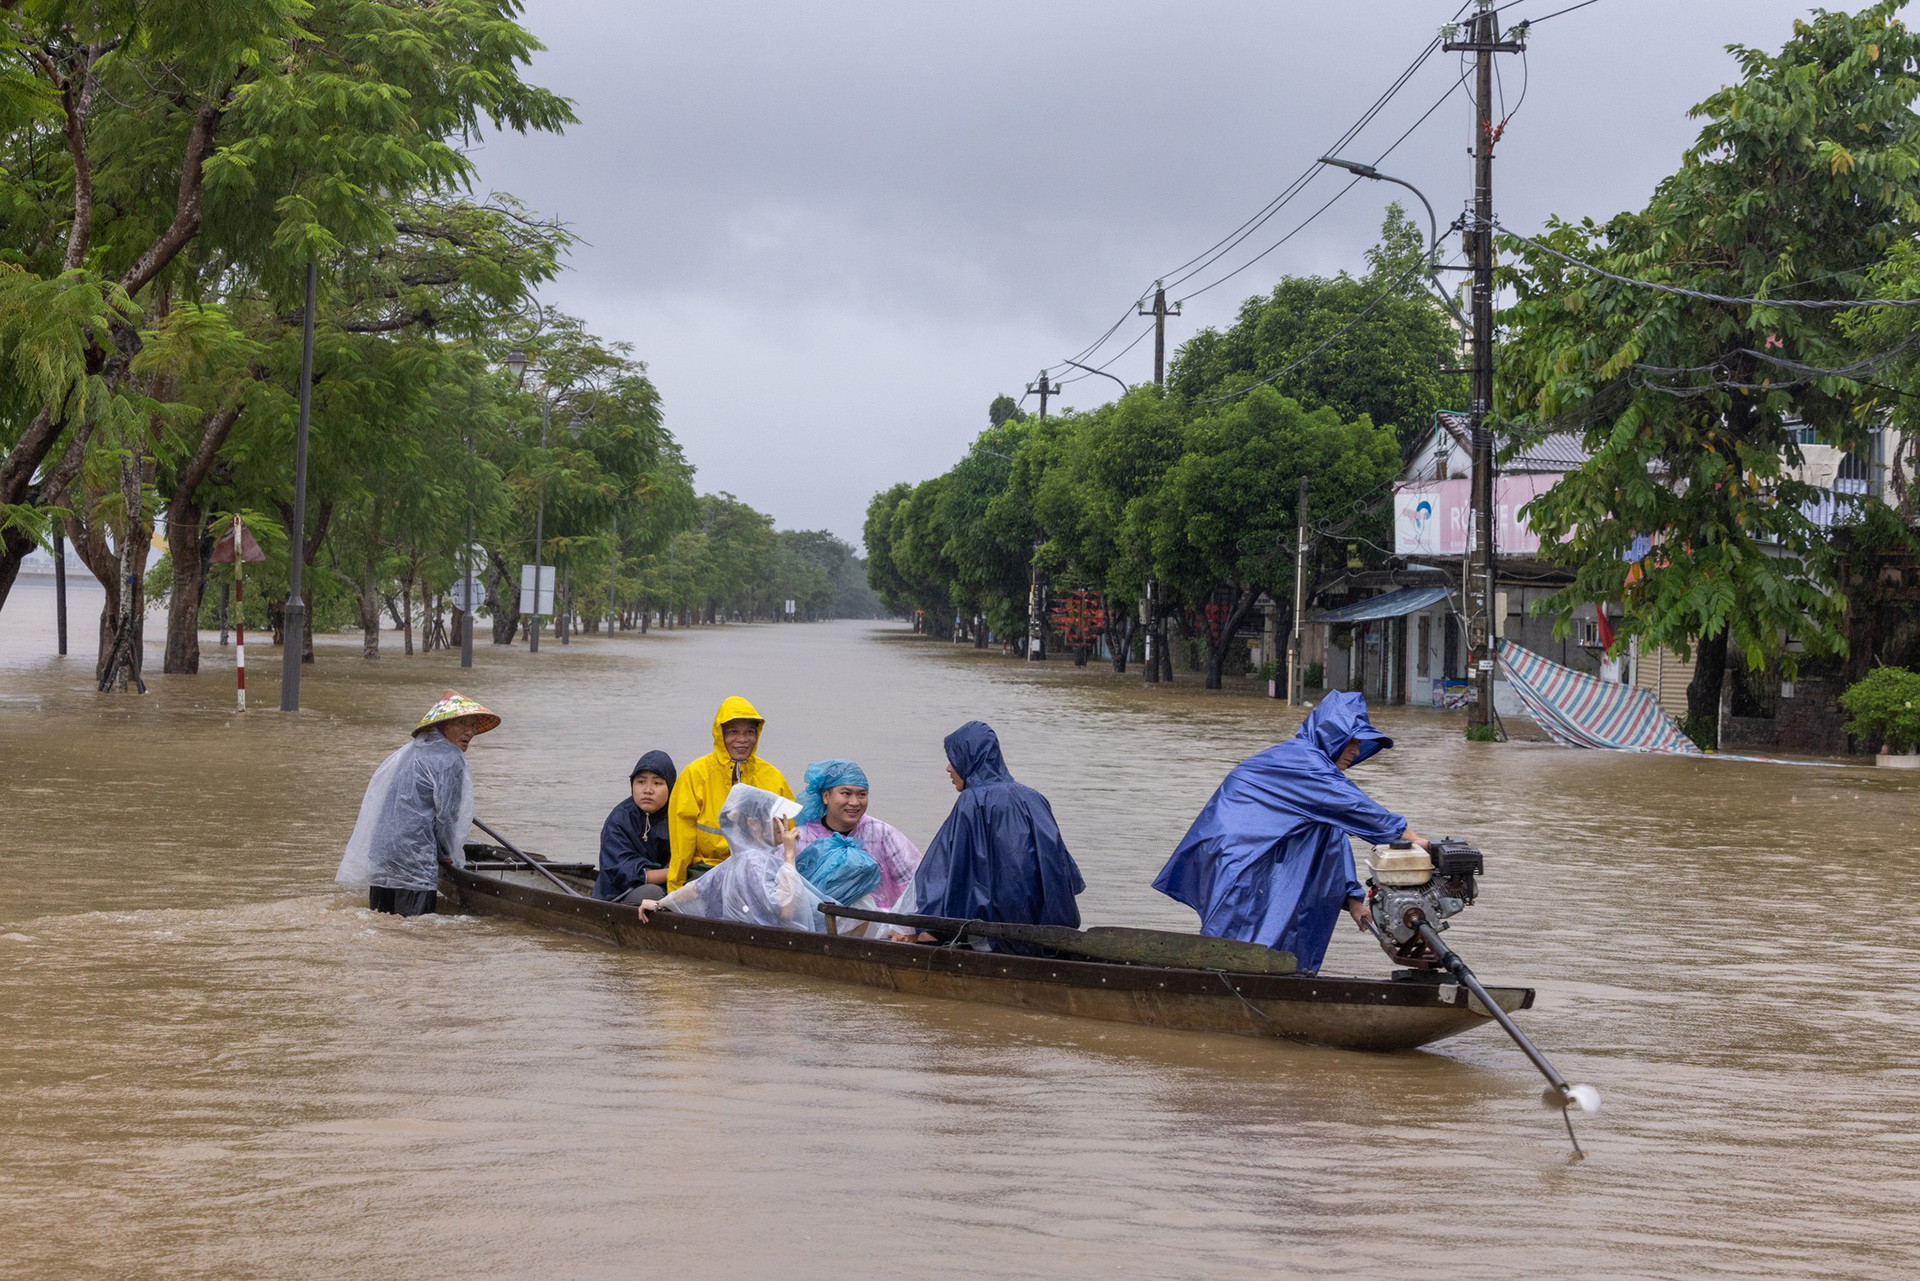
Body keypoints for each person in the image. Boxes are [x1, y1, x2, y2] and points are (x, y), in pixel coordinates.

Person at [1150, 690, 1428, 974]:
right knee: (1242, 946)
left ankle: (1282, 982)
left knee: (1283, 949)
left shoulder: (1314, 774)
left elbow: (1333, 837)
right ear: (1334, 737)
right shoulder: (1305, 763)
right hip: (1245, 863)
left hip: (1263, 862)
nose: (1357, 751)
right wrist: (1416, 841)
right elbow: (1361, 810)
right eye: (1353, 742)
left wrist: (1354, 900)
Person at [902, 721, 1084, 939]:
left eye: (954, 758)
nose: (949, 768)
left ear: (971, 758)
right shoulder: (1035, 798)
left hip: (994, 938)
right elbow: (1060, 869)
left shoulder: (972, 801)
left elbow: (945, 870)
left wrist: (926, 928)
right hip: (1044, 935)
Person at [335, 689, 500, 916]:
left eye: (472, 725)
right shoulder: (451, 759)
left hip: (382, 855)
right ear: (443, 725)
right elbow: (446, 817)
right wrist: (446, 853)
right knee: (416, 933)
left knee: (380, 925)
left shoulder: (411, 751)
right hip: (413, 862)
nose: (469, 732)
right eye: (462, 723)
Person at [640, 784, 828, 930]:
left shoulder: (739, 858)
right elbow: (786, 911)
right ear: (753, 823)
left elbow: (697, 888)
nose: (784, 824)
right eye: (776, 818)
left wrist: (659, 903)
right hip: (769, 942)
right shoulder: (754, 861)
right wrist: (789, 854)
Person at [666, 696, 794, 890]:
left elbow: (789, 835)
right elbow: (681, 841)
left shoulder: (773, 777)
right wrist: (674, 887)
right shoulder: (696, 774)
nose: (742, 740)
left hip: (758, 870)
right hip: (706, 868)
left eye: (749, 732)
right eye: (733, 732)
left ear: (757, 734)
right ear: (720, 734)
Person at [791, 758, 923, 910]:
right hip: (814, 925)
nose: (855, 802)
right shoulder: (800, 838)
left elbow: (913, 881)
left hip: (876, 926)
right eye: (846, 793)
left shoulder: (881, 834)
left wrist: (904, 927)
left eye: (862, 794)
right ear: (826, 796)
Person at [594, 750, 677, 904]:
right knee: (653, 892)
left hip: (673, 884)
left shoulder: (680, 815)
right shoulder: (619, 819)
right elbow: (625, 872)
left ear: (671, 787)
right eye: (641, 782)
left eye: (657, 783)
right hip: (621, 894)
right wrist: (675, 873)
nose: (647, 790)